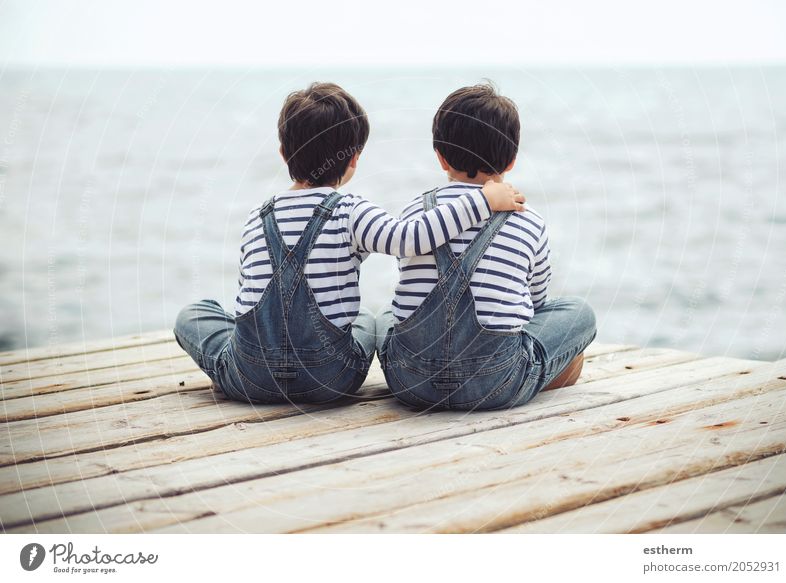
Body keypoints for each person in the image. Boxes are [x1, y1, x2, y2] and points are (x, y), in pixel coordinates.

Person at [174, 82, 525, 404]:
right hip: (329, 377)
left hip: (252, 375)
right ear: (355, 157)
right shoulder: (351, 212)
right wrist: (484, 201)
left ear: (283, 153)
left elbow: (245, 300)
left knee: (194, 314)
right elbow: (410, 239)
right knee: (367, 319)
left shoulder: (258, 215)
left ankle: (235, 373)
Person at [376, 83, 597, 410]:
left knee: (385, 314)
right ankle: (543, 375)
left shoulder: (414, 213)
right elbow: (535, 304)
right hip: (496, 383)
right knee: (580, 312)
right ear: (511, 161)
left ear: (440, 157)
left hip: (411, 382)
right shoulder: (528, 218)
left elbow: (410, 280)